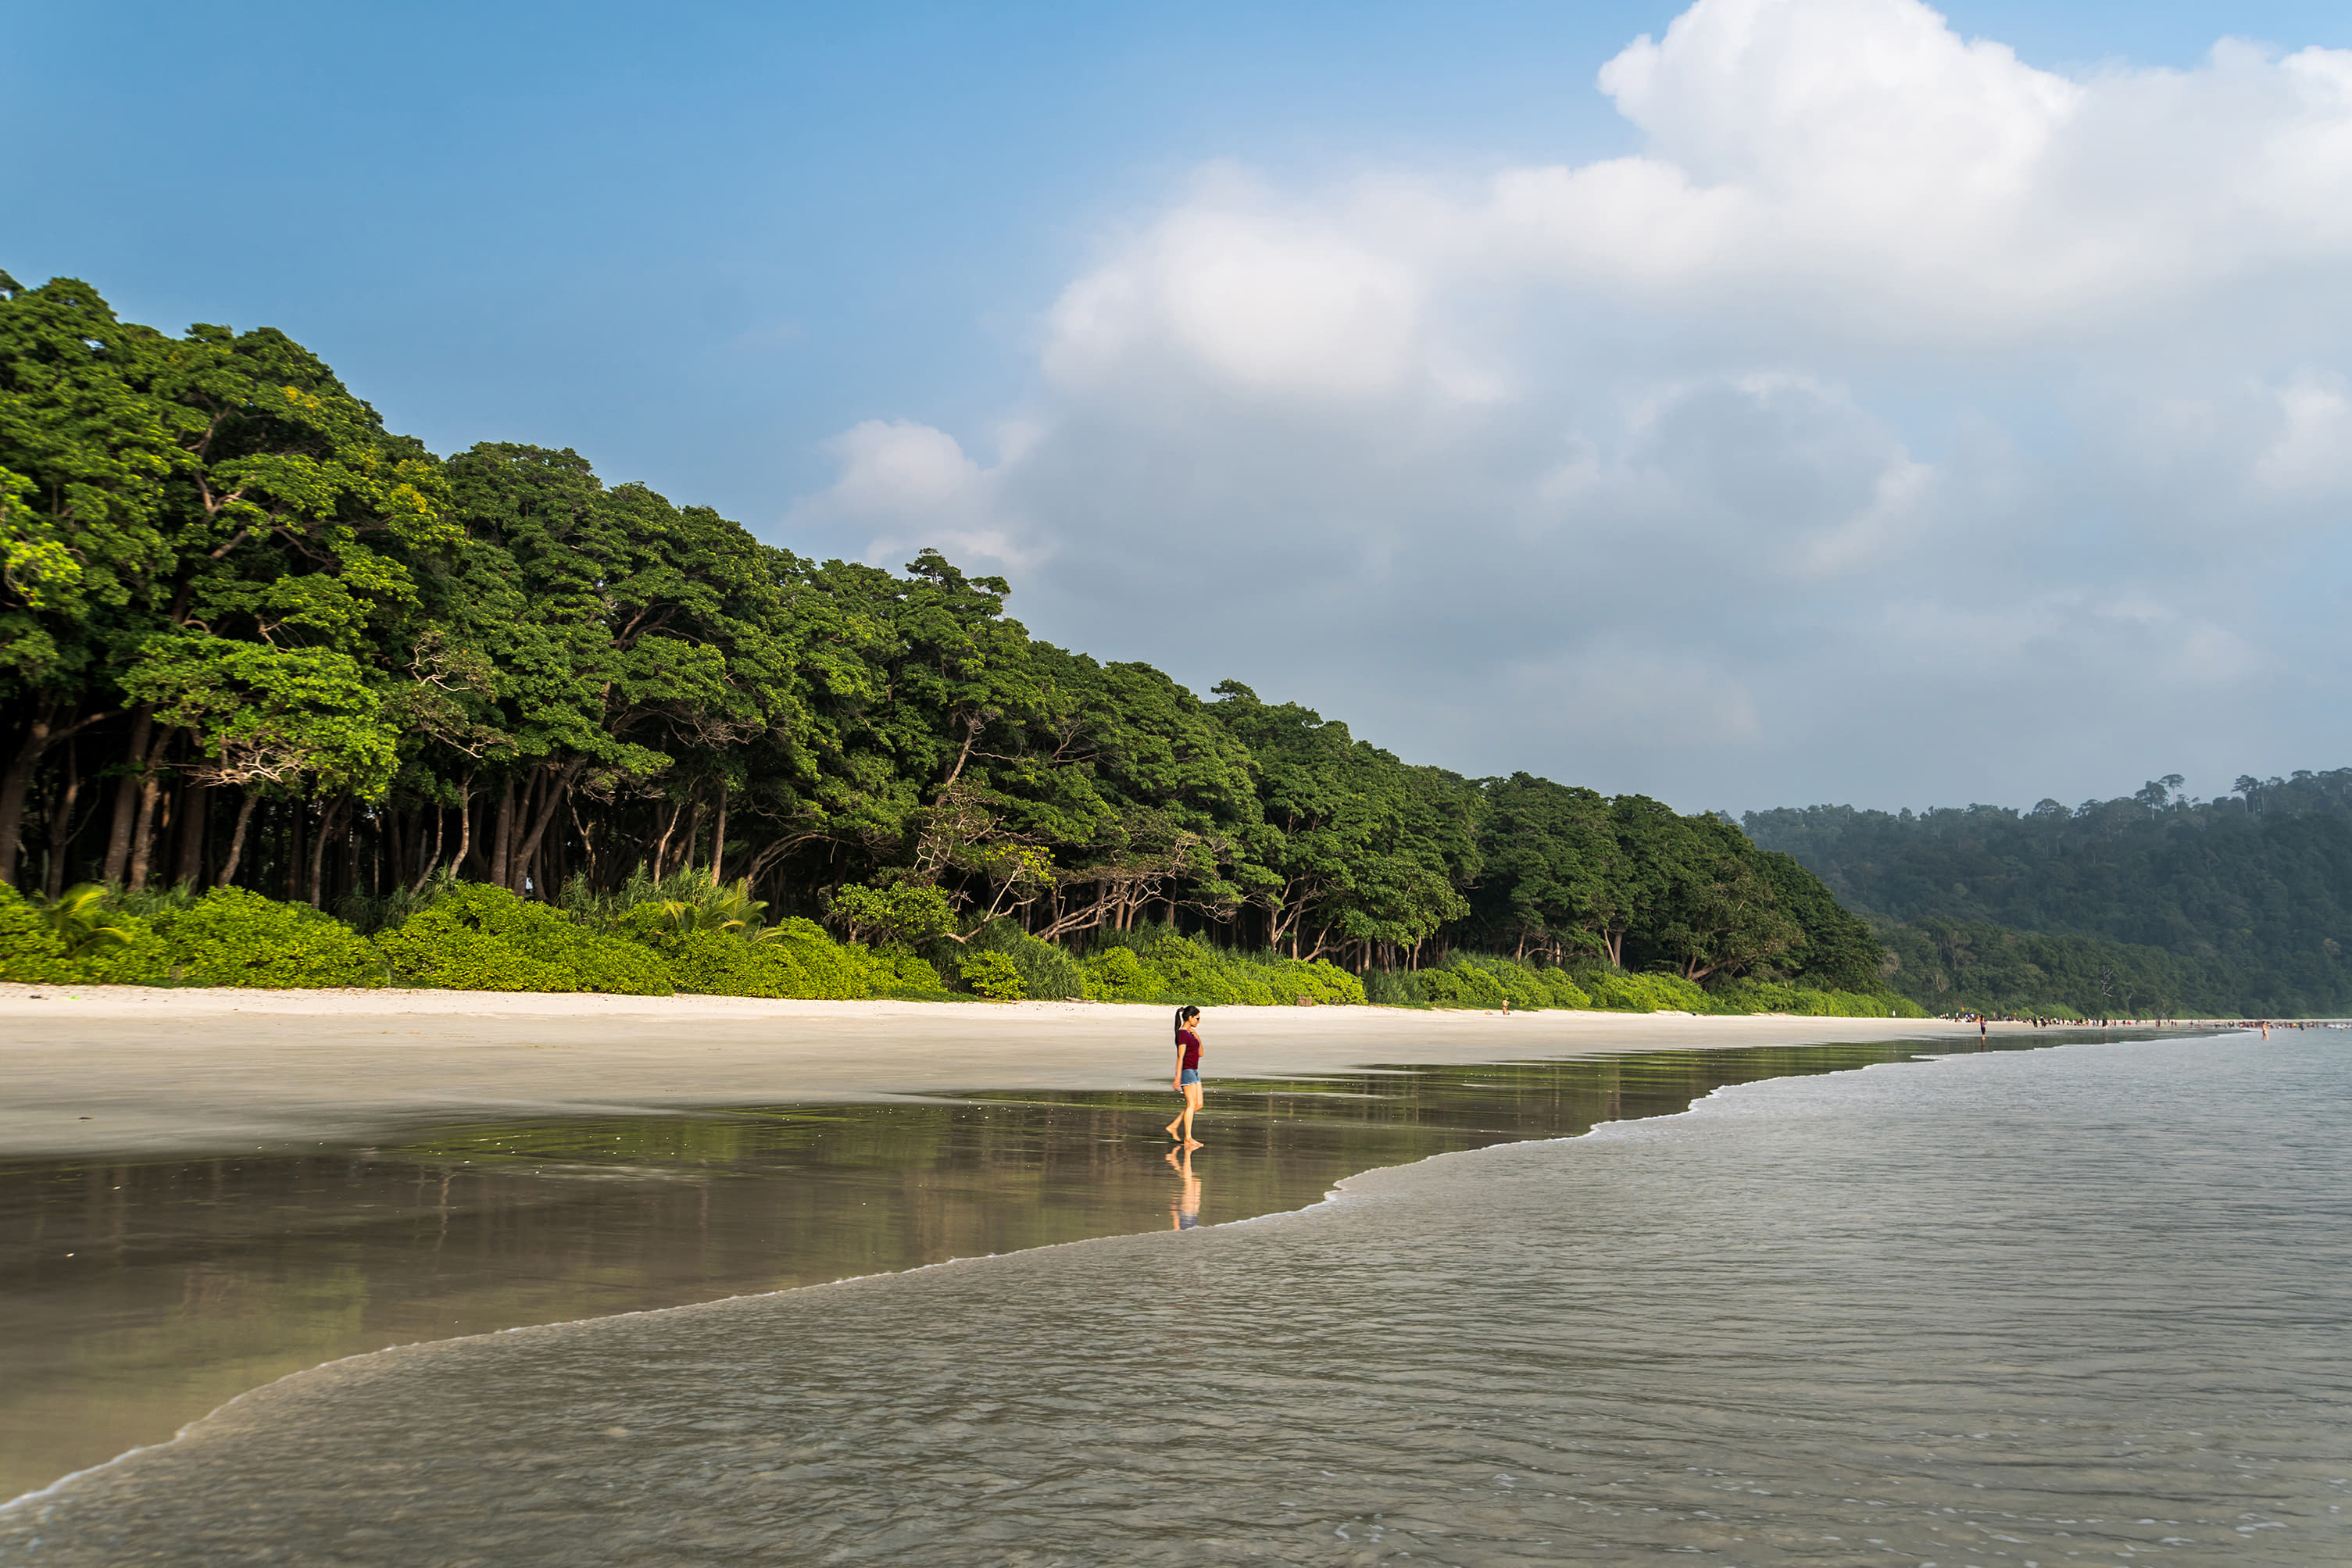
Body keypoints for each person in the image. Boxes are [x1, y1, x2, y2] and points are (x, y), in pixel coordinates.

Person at [1163, 1005, 1204, 1146]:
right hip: (1187, 1072)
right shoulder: (1182, 1034)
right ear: (1190, 1017)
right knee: (1191, 1104)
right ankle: (1188, 1138)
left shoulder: (1191, 1034)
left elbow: (1201, 1054)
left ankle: (1174, 1126)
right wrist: (1177, 1077)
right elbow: (1180, 1057)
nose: (1199, 1021)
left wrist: (1198, 1037)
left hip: (1194, 1071)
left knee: (1198, 1105)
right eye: (1197, 1018)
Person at [1166, 1144, 1202, 1230]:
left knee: (1189, 1182)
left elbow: (1177, 1230)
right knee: (1196, 1182)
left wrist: (1174, 1212)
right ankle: (1174, 1160)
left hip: (1187, 1214)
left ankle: (1186, 1154)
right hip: (1193, 1214)